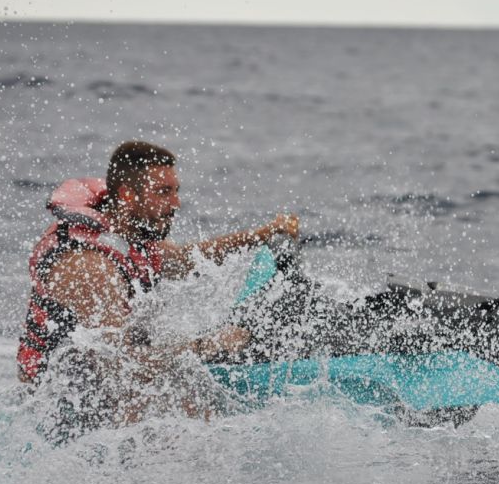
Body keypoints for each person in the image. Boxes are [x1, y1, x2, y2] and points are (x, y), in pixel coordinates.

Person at [17, 140, 298, 422]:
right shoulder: (89, 268)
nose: (175, 203)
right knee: (188, 401)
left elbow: (187, 259)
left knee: (195, 390)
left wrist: (262, 233)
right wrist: (207, 345)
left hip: (109, 375)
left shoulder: (129, 232)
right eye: (164, 192)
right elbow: (122, 367)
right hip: (64, 406)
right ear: (128, 195)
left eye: (176, 191)